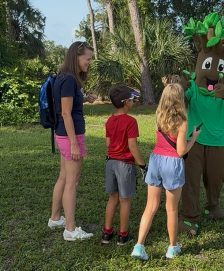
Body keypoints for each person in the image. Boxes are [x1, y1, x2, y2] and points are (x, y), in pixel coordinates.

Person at [131, 83, 200, 260]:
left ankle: (139, 246)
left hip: (156, 161)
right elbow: (181, 151)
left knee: (150, 207)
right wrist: (193, 138)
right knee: (171, 209)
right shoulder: (182, 121)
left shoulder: (158, 116)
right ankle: (172, 247)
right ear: (180, 99)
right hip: (172, 164)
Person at [48, 41, 96, 241]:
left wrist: (85, 99)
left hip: (63, 134)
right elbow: (66, 113)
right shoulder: (68, 80)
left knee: (63, 177)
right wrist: (74, 143)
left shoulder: (65, 78)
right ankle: (70, 229)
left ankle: (55, 218)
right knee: (71, 182)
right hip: (70, 135)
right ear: (76, 56)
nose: (89, 62)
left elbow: (68, 105)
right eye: (88, 58)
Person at [101, 84, 147, 246]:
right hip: (125, 165)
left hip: (110, 163)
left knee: (112, 198)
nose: (133, 101)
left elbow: (108, 143)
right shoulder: (131, 122)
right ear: (126, 101)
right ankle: (123, 235)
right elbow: (132, 146)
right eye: (132, 99)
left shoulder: (110, 121)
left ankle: (106, 233)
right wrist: (142, 165)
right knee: (125, 200)